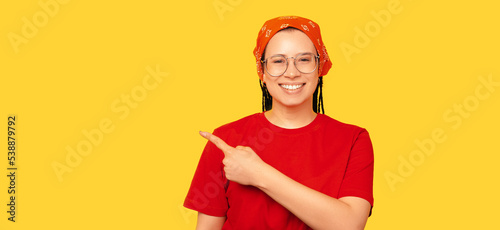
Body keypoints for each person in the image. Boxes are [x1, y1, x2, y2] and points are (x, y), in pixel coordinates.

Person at [184, 16, 374, 230]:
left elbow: (348, 226)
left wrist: (258, 173)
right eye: (278, 61)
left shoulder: (353, 140)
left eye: (304, 60)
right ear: (262, 71)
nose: (291, 73)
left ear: (320, 66)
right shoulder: (226, 140)